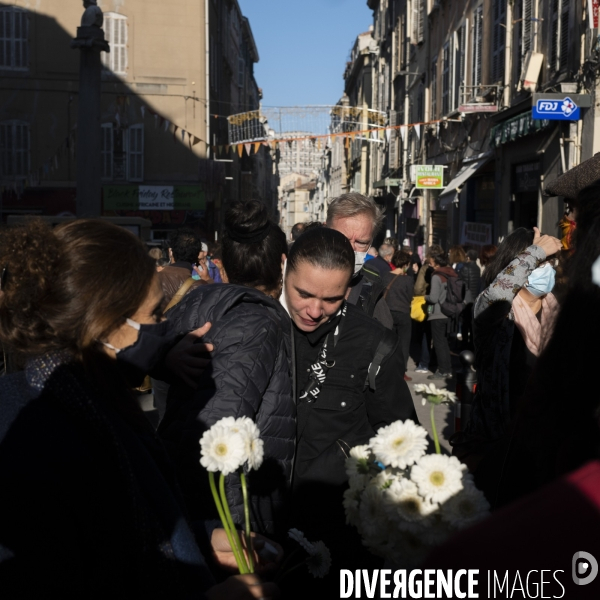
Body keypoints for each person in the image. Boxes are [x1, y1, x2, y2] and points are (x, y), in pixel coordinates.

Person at [0, 219, 280, 599]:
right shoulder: (38, 440)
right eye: (155, 315)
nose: (164, 327)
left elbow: (127, 534)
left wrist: (202, 539)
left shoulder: (97, 400)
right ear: (106, 322)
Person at [284, 226, 416, 593]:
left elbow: (400, 437)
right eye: (304, 294)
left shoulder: (374, 343)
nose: (313, 310)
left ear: (348, 289)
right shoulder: (263, 325)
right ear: (285, 271)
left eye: (331, 299)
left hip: (341, 531)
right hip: (267, 524)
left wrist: (355, 465)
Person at [158, 200, 295, 538]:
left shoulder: (199, 304)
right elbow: (218, 441)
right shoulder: (254, 322)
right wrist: (225, 534)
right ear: (282, 262)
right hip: (232, 516)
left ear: (225, 265)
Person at [452, 227, 562, 499]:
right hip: (498, 447)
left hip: (546, 447)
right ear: (518, 263)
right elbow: (499, 293)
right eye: (541, 262)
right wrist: (536, 252)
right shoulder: (493, 311)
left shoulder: (556, 310)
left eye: (550, 262)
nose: (548, 268)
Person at [326, 193, 393, 329]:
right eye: (342, 239)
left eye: (361, 242)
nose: (350, 249)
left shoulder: (372, 288)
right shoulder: (297, 274)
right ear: (326, 230)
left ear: (370, 243)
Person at [424, 248, 457, 380]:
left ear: (435, 261)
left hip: (438, 313)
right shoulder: (452, 274)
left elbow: (433, 298)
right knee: (444, 343)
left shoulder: (436, 276)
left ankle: (443, 370)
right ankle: (447, 369)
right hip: (450, 312)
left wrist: (424, 297)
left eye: (430, 259)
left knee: (439, 343)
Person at [382, 250, 414, 381]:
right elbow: (410, 297)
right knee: (404, 344)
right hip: (403, 313)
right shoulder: (408, 280)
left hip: (387, 312)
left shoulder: (385, 276)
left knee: (388, 342)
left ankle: (385, 369)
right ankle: (401, 372)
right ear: (406, 263)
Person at [413, 244, 443, 374]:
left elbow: (418, 288)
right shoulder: (444, 268)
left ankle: (424, 363)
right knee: (439, 335)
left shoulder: (425, 268)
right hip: (443, 305)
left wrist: (423, 295)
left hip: (428, 303)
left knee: (426, 333)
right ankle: (435, 361)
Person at [160, 228, 206, 305]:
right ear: (197, 255)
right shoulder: (201, 287)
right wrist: (209, 281)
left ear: (172, 252)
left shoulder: (154, 280)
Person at [458, 249, 482, 349]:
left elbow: (461, 284)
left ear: (468, 257)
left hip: (466, 298)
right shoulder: (477, 268)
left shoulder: (464, 268)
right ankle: (472, 344)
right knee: (472, 323)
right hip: (475, 297)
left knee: (465, 322)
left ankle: (464, 343)